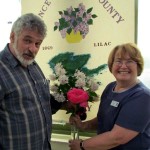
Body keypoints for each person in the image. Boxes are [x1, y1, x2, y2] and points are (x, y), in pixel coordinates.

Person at [0, 13, 64, 150]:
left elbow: (41, 105)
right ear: (12, 37)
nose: (33, 49)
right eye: (27, 41)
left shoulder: (33, 65)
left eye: (37, 43)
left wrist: (67, 102)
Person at [69, 43, 150, 150]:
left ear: (138, 66)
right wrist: (83, 125)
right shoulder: (110, 87)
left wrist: (82, 145)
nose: (123, 66)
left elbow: (118, 137)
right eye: (118, 61)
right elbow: (103, 119)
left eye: (129, 61)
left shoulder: (142, 97)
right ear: (111, 66)